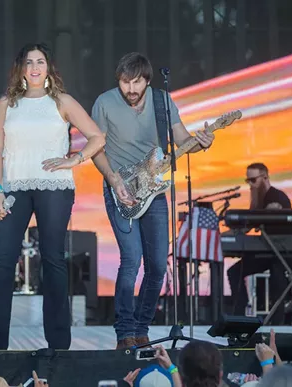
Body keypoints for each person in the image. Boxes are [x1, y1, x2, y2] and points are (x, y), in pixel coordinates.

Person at [0, 42, 106, 350]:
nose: (35, 67)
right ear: (21, 69)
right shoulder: (6, 104)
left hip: (55, 188)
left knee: (53, 261)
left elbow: (97, 136)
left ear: (48, 67)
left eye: (40, 62)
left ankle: (59, 343)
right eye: (29, 62)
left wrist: (74, 159)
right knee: (5, 261)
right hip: (13, 189)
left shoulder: (61, 101)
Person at [91, 52, 215, 349]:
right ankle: (124, 333)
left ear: (147, 80)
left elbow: (183, 139)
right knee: (131, 260)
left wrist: (202, 143)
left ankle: (142, 327)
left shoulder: (162, 101)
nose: (130, 89)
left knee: (158, 265)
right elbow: (96, 149)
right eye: (125, 82)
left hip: (156, 191)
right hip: (120, 188)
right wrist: (113, 180)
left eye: (136, 83)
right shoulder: (104, 103)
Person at [227, 162, 292, 324]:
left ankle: (277, 323)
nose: (251, 185)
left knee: (278, 271)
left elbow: (271, 212)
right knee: (235, 272)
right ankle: (241, 316)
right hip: (270, 251)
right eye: (248, 181)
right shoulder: (259, 200)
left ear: (265, 177)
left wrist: (269, 211)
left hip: (287, 252)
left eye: (253, 180)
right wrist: (225, 234)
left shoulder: (277, 196)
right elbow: (248, 225)